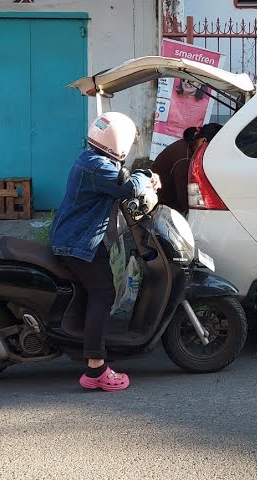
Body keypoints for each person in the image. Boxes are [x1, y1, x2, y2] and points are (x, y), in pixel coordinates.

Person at [50, 111, 161, 392]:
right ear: (119, 142)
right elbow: (127, 187)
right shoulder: (98, 166)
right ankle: (96, 367)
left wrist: (143, 178)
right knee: (104, 292)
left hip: (75, 237)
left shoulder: (91, 159)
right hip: (79, 242)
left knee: (93, 291)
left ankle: (85, 343)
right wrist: (147, 174)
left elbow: (123, 181)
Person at [150, 122, 220, 214]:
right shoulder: (185, 159)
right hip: (160, 208)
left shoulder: (190, 147)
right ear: (203, 141)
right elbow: (187, 200)